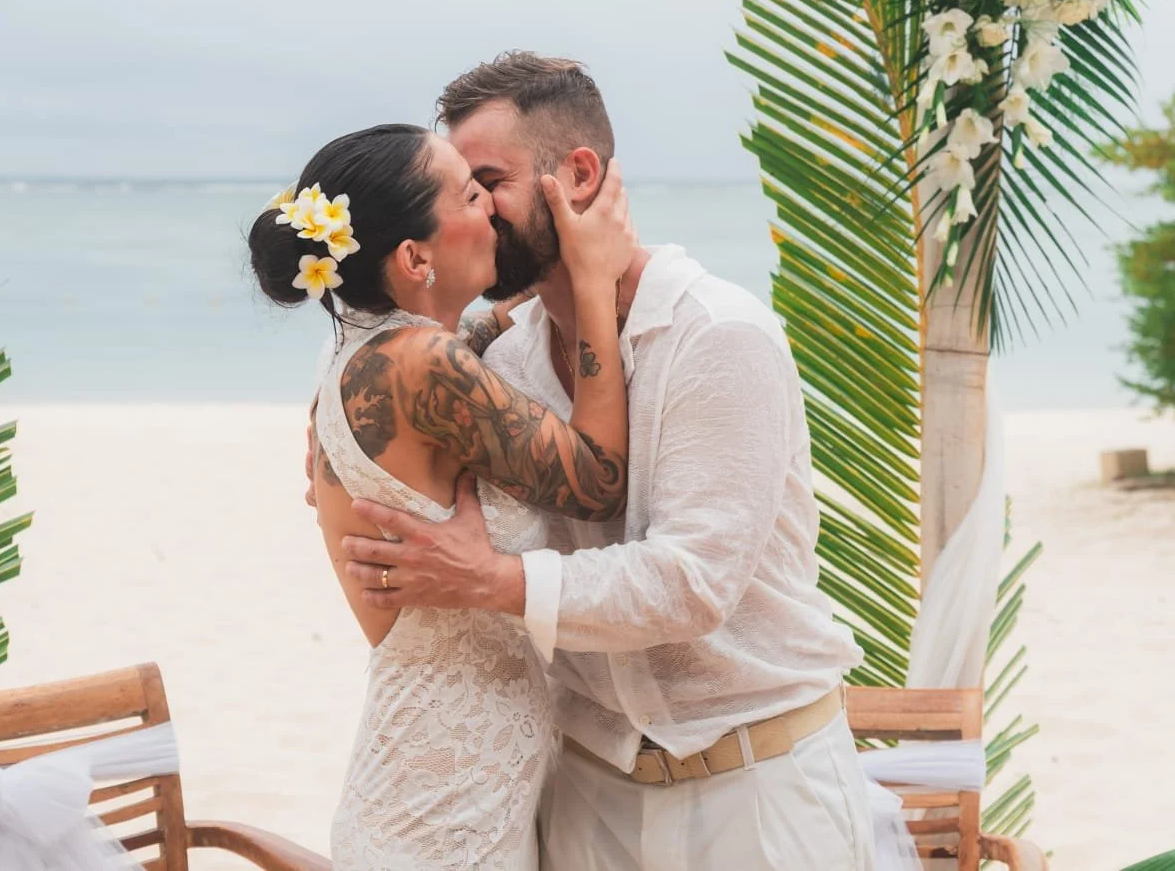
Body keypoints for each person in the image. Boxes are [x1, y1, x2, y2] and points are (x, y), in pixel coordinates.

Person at [337, 54, 877, 870]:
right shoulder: (501, 363)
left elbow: (693, 581)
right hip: (586, 796)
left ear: (579, 174)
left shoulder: (714, 337)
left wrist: (493, 581)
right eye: (466, 194)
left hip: (758, 797)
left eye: (489, 183)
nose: (476, 215)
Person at [250, 122, 636, 870]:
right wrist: (591, 285)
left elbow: (475, 334)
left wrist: (545, 262)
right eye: (470, 194)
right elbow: (597, 480)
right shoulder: (420, 362)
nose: (492, 210)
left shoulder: (367, 351)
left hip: (443, 792)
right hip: (443, 819)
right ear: (414, 257)